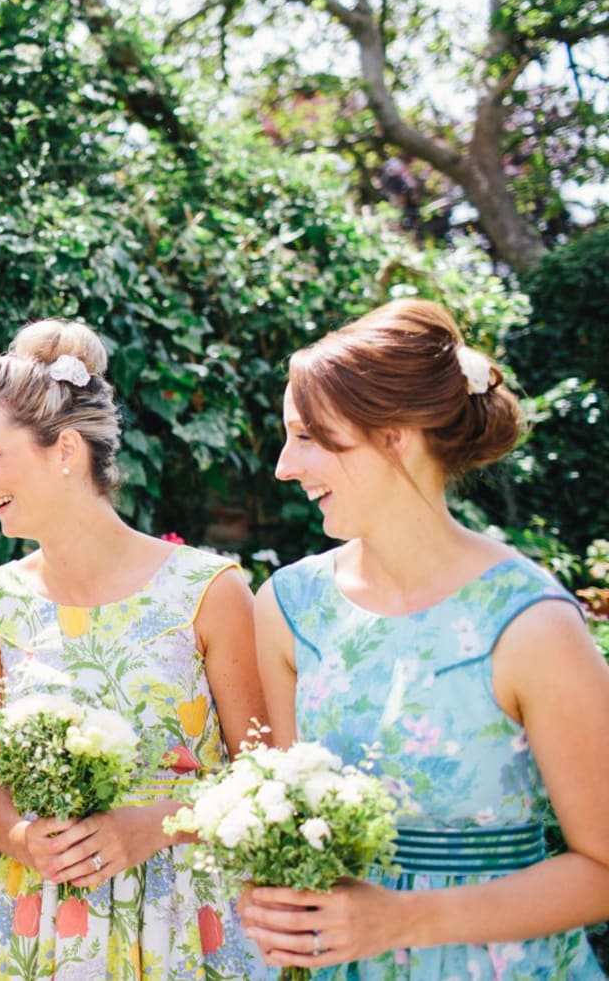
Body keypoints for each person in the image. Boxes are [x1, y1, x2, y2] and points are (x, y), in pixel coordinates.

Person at [239, 298, 609, 978]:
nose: (284, 466)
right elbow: (289, 821)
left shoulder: (530, 623)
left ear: (395, 435)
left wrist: (402, 919)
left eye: (310, 436)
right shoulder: (288, 608)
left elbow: (602, 868)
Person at [0, 319, 267, 981]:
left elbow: (263, 775)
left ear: (66, 450)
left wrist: (159, 822)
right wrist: (21, 837)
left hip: (188, 922)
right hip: (42, 928)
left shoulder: (208, 590)